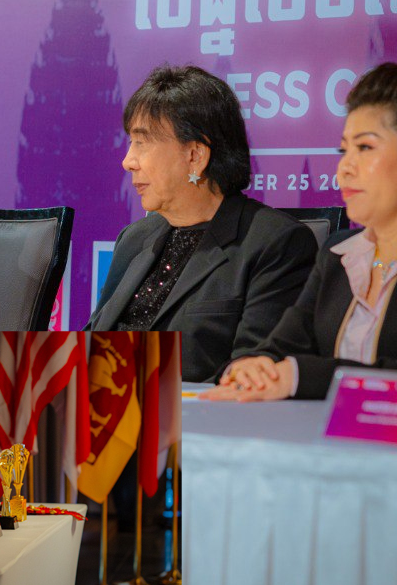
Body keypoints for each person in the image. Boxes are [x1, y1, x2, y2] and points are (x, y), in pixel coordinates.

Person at [203, 62, 397, 401]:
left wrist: (300, 377)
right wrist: (250, 367)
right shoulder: (338, 254)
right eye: (343, 150)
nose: (344, 168)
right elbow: (277, 349)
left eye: (364, 148)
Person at [85, 65, 317, 383]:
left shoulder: (276, 244)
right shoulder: (135, 238)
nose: (128, 161)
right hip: (105, 407)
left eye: (142, 142)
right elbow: (91, 347)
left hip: (190, 413)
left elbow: (250, 374)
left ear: (195, 156)